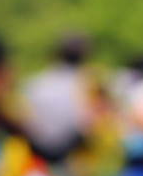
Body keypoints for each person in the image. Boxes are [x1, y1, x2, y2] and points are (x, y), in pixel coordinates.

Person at [21, 34, 93, 163]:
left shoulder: (33, 84)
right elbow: (87, 125)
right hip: (73, 159)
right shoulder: (88, 84)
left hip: (36, 155)